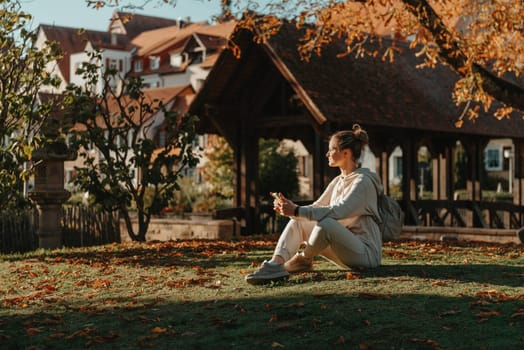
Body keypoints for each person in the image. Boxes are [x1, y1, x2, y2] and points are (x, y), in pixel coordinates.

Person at [245, 124, 383, 285]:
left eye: (332, 149)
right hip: (344, 251)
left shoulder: (363, 182)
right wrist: (291, 208)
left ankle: (303, 259)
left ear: (346, 153)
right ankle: (275, 264)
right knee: (298, 222)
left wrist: (297, 210)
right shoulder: (338, 181)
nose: (327, 153)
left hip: (366, 255)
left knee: (327, 224)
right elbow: (317, 207)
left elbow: (338, 211)